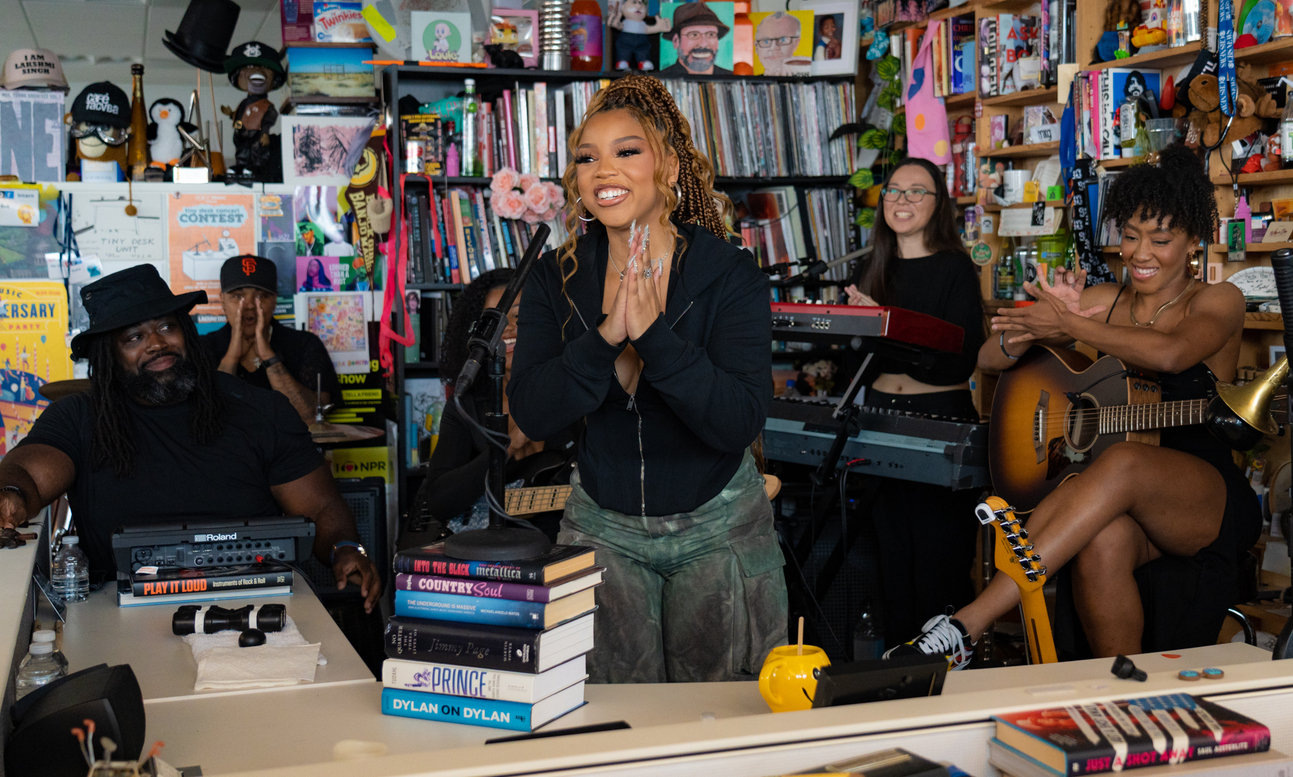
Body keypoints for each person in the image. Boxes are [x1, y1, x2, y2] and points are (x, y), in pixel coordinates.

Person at [886, 145, 1259, 667]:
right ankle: (1119, 690)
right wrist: (1037, 335)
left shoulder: (1218, 300)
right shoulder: (1106, 298)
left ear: (1195, 240)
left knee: (1121, 463)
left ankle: (967, 625)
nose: (1141, 253)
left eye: (1161, 239)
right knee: (1102, 539)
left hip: (1202, 492)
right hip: (1112, 495)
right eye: (1130, 237)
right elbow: (989, 355)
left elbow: (1172, 355)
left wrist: (1071, 325)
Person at [508, 73, 785, 683]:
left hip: (719, 527)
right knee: (612, 723)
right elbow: (531, 411)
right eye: (587, 157)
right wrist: (605, 337)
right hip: (600, 528)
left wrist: (653, 336)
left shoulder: (728, 273)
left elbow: (737, 419)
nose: (604, 169)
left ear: (664, 164)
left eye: (626, 151)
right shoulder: (555, 278)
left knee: (723, 727)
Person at [0, 264, 382, 612]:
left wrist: (345, 548)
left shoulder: (261, 410)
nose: (156, 343)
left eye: (166, 326)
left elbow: (319, 507)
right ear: (109, 356)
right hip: (122, 611)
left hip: (255, 603)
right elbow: (29, 473)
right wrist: (11, 497)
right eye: (134, 337)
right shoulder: (80, 416)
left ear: (186, 331)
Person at [842, 158, 987, 650]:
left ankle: (947, 668)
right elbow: (856, 361)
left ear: (937, 204)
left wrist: (883, 325)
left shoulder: (954, 268)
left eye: (916, 192)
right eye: (894, 191)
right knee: (889, 560)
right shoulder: (872, 267)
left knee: (938, 561)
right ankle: (895, 668)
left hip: (941, 424)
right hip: (880, 419)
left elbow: (956, 363)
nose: (901, 201)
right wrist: (857, 329)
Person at [419, 269, 578, 539]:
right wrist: (505, 446)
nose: (508, 327)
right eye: (495, 319)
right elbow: (439, 501)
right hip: (491, 550)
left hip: (569, 546)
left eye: (518, 314)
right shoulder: (465, 408)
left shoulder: (575, 394)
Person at [201, 255, 340, 424]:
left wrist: (268, 356)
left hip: (288, 450)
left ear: (274, 300)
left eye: (261, 296)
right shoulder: (203, 348)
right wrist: (232, 357)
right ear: (222, 301)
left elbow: (310, 417)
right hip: (229, 450)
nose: (250, 305)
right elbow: (207, 416)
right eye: (238, 296)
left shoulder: (304, 344)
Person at [658, 3, 732, 76]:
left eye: (711, 34)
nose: (703, 44)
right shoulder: (661, 79)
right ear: (676, 41)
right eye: (694, 35)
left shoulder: (730, 77)